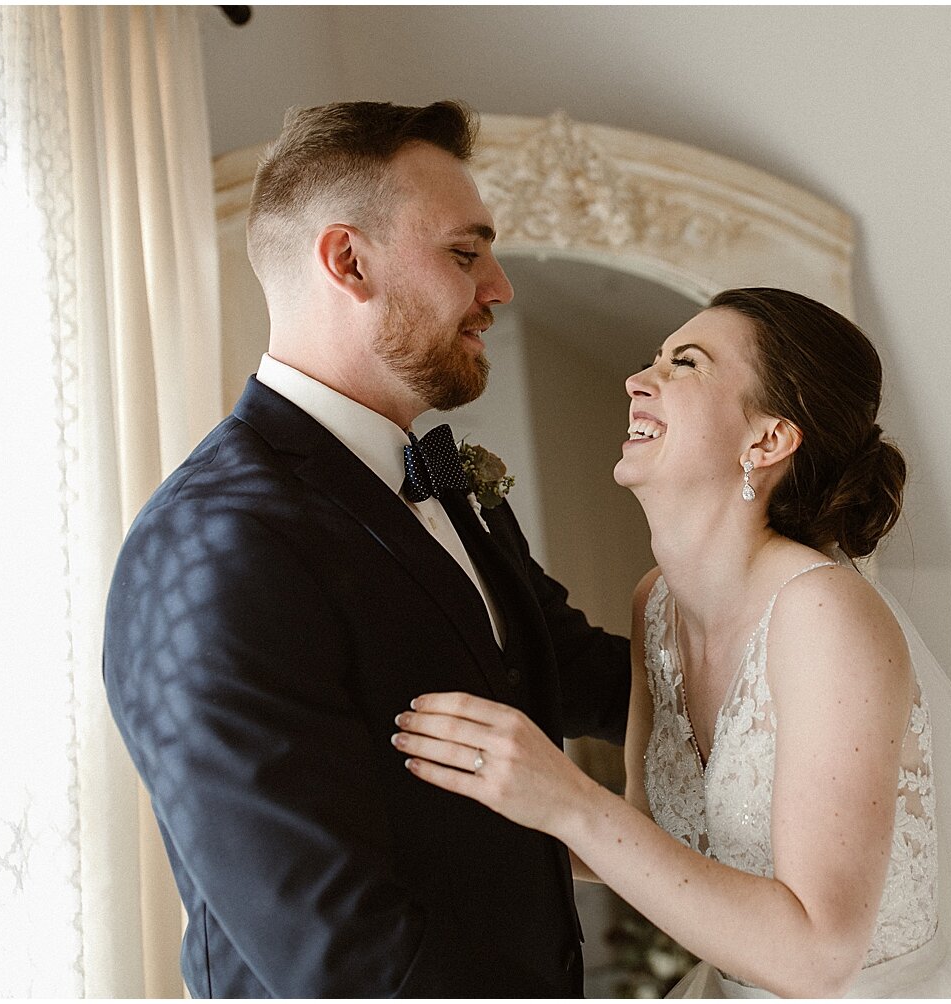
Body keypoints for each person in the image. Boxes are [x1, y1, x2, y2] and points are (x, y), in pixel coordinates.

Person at [395, 288, 951, 997]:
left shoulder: (823, 613)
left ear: (768, 438)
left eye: (682, 363)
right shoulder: (656, 603)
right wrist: (444, 826)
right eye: (656, 358)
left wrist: (565, 800)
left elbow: (820, 954)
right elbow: (651, 842)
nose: (636, 379)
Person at [102, 100, 631, 998]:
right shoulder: (214, 542)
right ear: (348, 260)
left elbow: (566, 666)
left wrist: (796, 674)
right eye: (466, 254)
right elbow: (332, 948)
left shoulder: (444, 477)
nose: (500, 287)